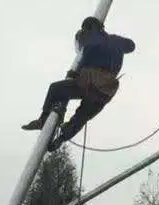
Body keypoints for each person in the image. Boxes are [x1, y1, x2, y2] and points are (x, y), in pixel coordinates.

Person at [22, 16, 136, 149]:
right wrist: (118, 42)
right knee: (82, 116)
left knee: (56, 89)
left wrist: (73, 74)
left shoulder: (91, 38)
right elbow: (131, 46)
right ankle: (61, 139)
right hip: (106, 90)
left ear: (89, 28)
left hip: (90, 82)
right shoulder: (115, 40)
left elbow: (85, 58)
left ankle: (43, 119)